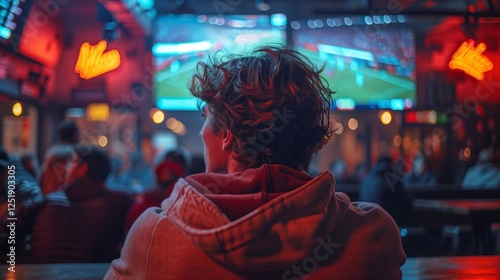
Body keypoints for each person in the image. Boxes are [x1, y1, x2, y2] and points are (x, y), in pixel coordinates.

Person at [105, 46, 406, 279]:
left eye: (206, 119)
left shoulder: (153, 235)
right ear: (311, 138)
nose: (201, 131)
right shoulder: (374, 232)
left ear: (227, 135)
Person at [25, 145, 133, 263]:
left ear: (83, 169)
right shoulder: (120, 203)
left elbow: (8, 231)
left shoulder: (46, 202)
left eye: (72, 162)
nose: (66, 169)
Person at [124, 148, 190, 231]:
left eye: (173, 172)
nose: (168, 176)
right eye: (166, 171)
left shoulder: (142, 207)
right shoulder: (144, 204)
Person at [359, 155, 413, 226]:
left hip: (367, 224)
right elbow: (404, 204)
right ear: (391, 164)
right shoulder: (393, 181)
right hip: (389, 225)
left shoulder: (366, 180)